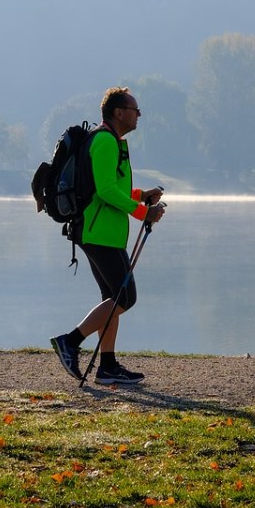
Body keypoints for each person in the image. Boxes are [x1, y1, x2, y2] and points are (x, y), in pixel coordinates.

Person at [50, 86, 164, 385]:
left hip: (104, 232)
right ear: (118, 112)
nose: (138, 114)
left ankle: (108, 366)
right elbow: (106, 190)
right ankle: (70, 342)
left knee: (112, 298)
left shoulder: (112, 141)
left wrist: (141, 196)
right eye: (134, 109)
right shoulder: (104, 141)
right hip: (98, 232)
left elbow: (114, 187)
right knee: (125, 297)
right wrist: (143, 213)